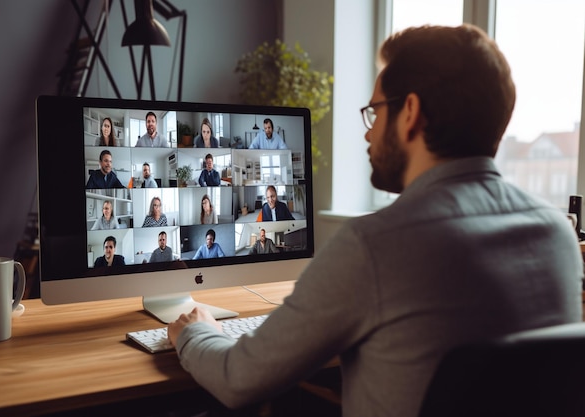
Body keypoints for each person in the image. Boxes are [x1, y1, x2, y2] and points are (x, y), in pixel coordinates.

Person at [167, 24, 583, 417]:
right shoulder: (558, 235)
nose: (368, 132)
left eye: (375, 112)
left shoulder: (375, 245)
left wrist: (194, 331)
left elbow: (239, 379)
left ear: (411, 113)